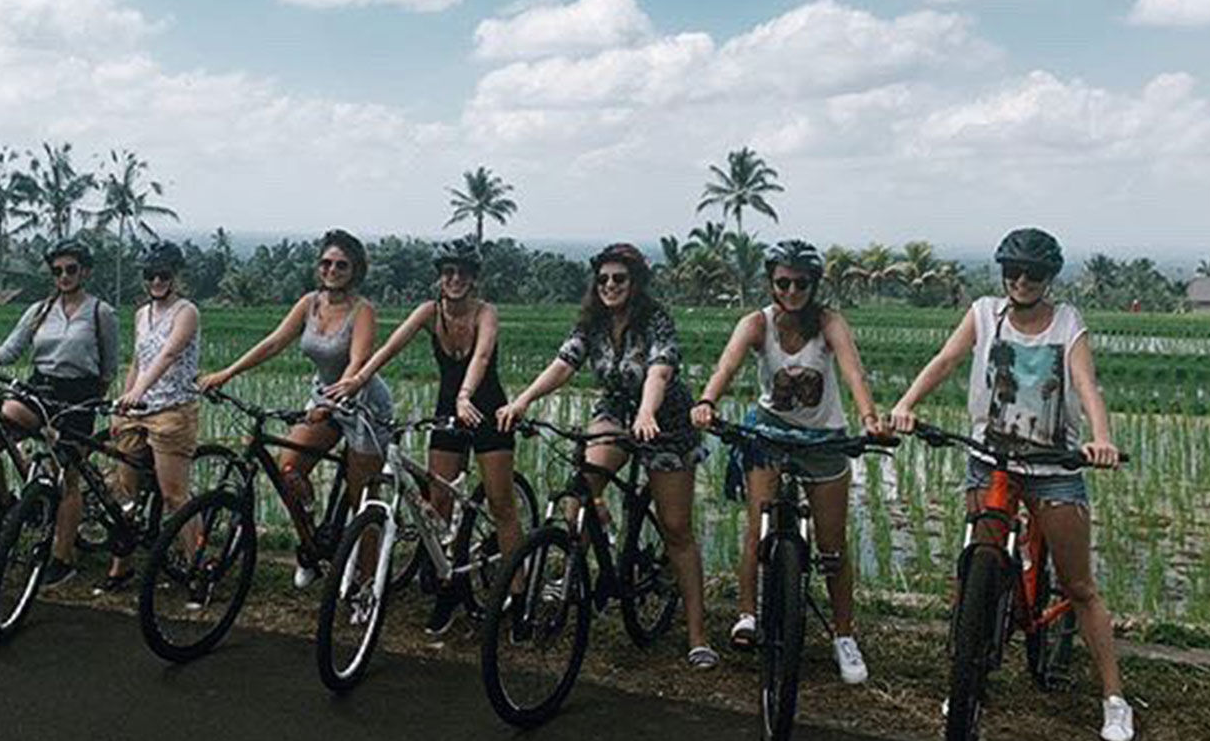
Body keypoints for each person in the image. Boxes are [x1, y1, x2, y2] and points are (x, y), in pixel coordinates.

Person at [888, 228, 1133, 741]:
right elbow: (946, 360)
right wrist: (906, 404)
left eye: (1033, 273)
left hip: (1053, 465)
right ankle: (965, 681)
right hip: (991, 460)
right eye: (1012, 271)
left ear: (1049, 278)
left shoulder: (1067, 323)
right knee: (974, 571)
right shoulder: (983, 313)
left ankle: (1114, 698)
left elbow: (1086, 385)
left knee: (1079, 587)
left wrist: (1101, 438)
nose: (1021, 281)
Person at [496, 242, 716, 668]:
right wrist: (522, 400)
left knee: (676, 529)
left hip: (665, 420)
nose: (610, 285)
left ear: (635, 283)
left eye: (619, 278)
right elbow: (564, 363)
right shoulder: (592, 323)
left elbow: (659, 370)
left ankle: (697, 634)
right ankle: (577, 567)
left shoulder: (655, 319)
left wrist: (648, 412)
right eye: (603, 279)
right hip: (616, 410)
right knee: (580, 486)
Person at [690, 239, 882, 684]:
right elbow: (726, 366)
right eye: (783, 283)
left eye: (801, 283)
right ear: (771, 283)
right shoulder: (756, 323)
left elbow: (853, 371)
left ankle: (843, 635)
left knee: (832, 546)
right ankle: (747, 613)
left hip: (823, 438)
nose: (792, 291)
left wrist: (870, 418)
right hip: (770, 434)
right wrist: (707, 401)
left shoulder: (829, 322)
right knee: (758, 526)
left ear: (814, 285)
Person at [326, 238, 523, 636]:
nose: (455, 279)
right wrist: (358, 379)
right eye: (448, 272)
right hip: (448, 409)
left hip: (487, 409)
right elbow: (390, 347)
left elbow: (482, 356)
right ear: (440, 277)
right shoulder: (429, 312)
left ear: (474, 278)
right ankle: (447, 590)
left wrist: (466, 395)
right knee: (438, 505)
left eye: (463, 272)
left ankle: (519, 597)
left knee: (501, 503)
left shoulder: (486, 313)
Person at [199, 228, 392, 589]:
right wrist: (227, 373)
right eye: (326, 263)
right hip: (323, 397)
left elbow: (358, 362)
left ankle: (368, 584)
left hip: (363, 404)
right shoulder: (309, 303)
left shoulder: (362, 311)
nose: (332, 270)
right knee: (288, 470)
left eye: (341, 265)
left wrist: (332, 404)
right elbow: (274, 343)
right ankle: (311, 546)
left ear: (355, 270)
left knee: (361, 498)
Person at [0, 237, 119, 589]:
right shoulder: (39, 310)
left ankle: (63, 558)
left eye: (71, 269)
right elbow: (8, 351)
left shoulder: (101, 313)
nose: (63, 276)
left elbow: (109, 368)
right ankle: (7, 505)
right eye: (57, 270)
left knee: (67, 476)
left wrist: (93, 402)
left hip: (78, 396)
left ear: (85, 272)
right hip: (40, 388)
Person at [102, 240, 202, 590]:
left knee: (174, 495)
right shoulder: (141, 314)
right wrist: (124, 400)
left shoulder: (186, 312)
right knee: (125, 492)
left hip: (172, 409)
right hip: (138, 410)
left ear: (175, 276)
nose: (156, 281)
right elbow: (139, 361)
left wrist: (139, 391)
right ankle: (121, 566)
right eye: (150, 275)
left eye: (163, 275)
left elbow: (169, 354)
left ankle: (199, 566)